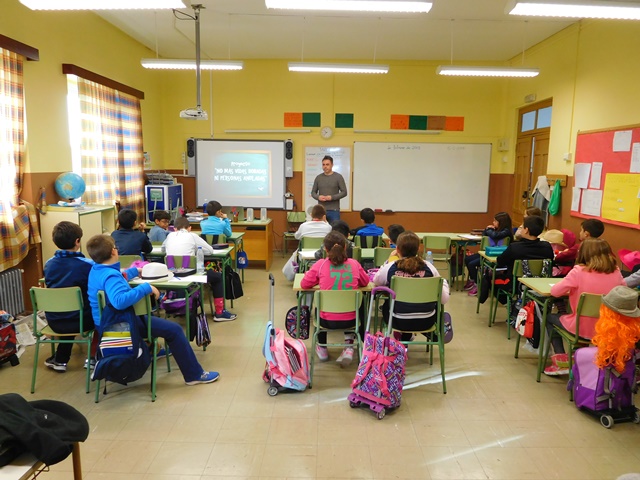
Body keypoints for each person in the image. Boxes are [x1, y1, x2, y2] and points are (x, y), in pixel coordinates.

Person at [86, 234, 220, 385]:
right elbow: (119, 301)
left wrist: (135, 272)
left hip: (105, 324)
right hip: (121, 325)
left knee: (159, 324)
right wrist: (146, 287)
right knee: (174, 330)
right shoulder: (111, 276)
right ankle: (194, 375)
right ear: (113, 252)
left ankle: (153, 349)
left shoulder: (97, 270)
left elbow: (118, 278)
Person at [542, 238, 626, 376]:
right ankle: (579, 358)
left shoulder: (578, 271)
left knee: (550, 317)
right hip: (607, 328)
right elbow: (623, 293)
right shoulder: (616, 271)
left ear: (583, 253)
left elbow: (555, 292)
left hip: (581, 327)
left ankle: (561, 359)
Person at [300, 232, 369, 366]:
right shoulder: (354, 264)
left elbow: (304, 284)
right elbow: (365, 282)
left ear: (325, 249)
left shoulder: (320, 264)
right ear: (345, 248)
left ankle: (322, 347)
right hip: (351, 320)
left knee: (319, 302)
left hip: (326, 321)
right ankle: (349, 346)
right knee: (355, 302)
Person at [373, 231, 450, 342]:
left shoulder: (390, 267)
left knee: (387, 303)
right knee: (435, 304)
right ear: (418, 249)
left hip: (397, 320)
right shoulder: (429, 267)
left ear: (397, 249)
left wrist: (387, 260)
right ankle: (438, 330)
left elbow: (376, 281)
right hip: (426, 321)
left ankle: (402, 336)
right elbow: (443, 299)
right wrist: (444, 282)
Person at [42, 221, 98, 372]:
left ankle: (60, 360)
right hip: (83, 322)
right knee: (100, 308)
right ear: (77, 241)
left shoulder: (48, 264)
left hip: (55, 321)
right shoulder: (88, 265)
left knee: (69, 308)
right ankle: (94, 357)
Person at [164, 217, 237, 321]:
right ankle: (219, 313)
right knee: (217, 277)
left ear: (174, 228)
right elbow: (210, 250)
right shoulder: (192, 236)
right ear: (189, 228)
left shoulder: (169, 236)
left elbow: (163, 249)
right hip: (190, 275)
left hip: (172, 275)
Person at [592, 286, 640, 374]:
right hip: (631, 379)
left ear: (606, 311)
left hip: (610, 382)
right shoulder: (636, 332)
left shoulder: (609, 335)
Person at [465, 212, 513, 296]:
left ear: (501, 222)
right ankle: (473, 279)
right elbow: (485, 235)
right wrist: (487, 230)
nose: (493, 223)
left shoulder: (507, 232)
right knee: (467, 259)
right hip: (489, 252)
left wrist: (488, 230)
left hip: (497, 255)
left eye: (495, 221)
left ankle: (478, 284)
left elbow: (495, 236)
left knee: (472, 264)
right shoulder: (496, 230)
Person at [310, 155, 347, 224]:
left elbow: (344, 192)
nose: (325, 166)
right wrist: (318, 197)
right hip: (321, 210)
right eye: (323, 164)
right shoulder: (318, 178)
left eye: (327, 164)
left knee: (335, 230)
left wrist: (332, 197)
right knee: (321, 231)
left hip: (334, 210)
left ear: (332, 165)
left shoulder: (338, 177)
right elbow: (313, 192)